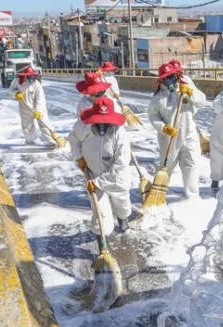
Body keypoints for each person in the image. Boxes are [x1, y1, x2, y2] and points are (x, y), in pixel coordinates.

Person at [68, 96, 132, 235]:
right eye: (98, 121)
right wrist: (78, 157)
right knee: (101, 215)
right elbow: (73, 140)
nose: (101, 125)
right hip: (93, 174)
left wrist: (99, 182)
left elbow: (121, 165)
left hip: (116, 178)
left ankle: (123, 220)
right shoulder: (83, 127)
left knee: (122, 204)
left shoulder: (120, 134)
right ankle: (101, 240)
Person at [148, 63, 207, 197]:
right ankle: (160, 194)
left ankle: (192, 196)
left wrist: (191, 93)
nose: (170, 80)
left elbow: (202, 102)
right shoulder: (158, 99)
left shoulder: (185, 88)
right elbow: (153, 116)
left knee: (191, 163)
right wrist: (163, 128)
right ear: (161, 80)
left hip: (189, 133)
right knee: (167, 166)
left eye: (171, 76)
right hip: (170, 138)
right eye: (166, 77)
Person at [9, 66, 55, 146]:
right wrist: (16, 93)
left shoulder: (36, 84)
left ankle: (51, 142)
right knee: (27, 127)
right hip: (25, 107)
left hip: (39, 109)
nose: (31, 77)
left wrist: (38, 110)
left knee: (45, 125)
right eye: (29, 76)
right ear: (25, 75)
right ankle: (30, 142)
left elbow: (40, 98)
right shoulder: (17, 81)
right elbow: (10, 90)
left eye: (32, 75)